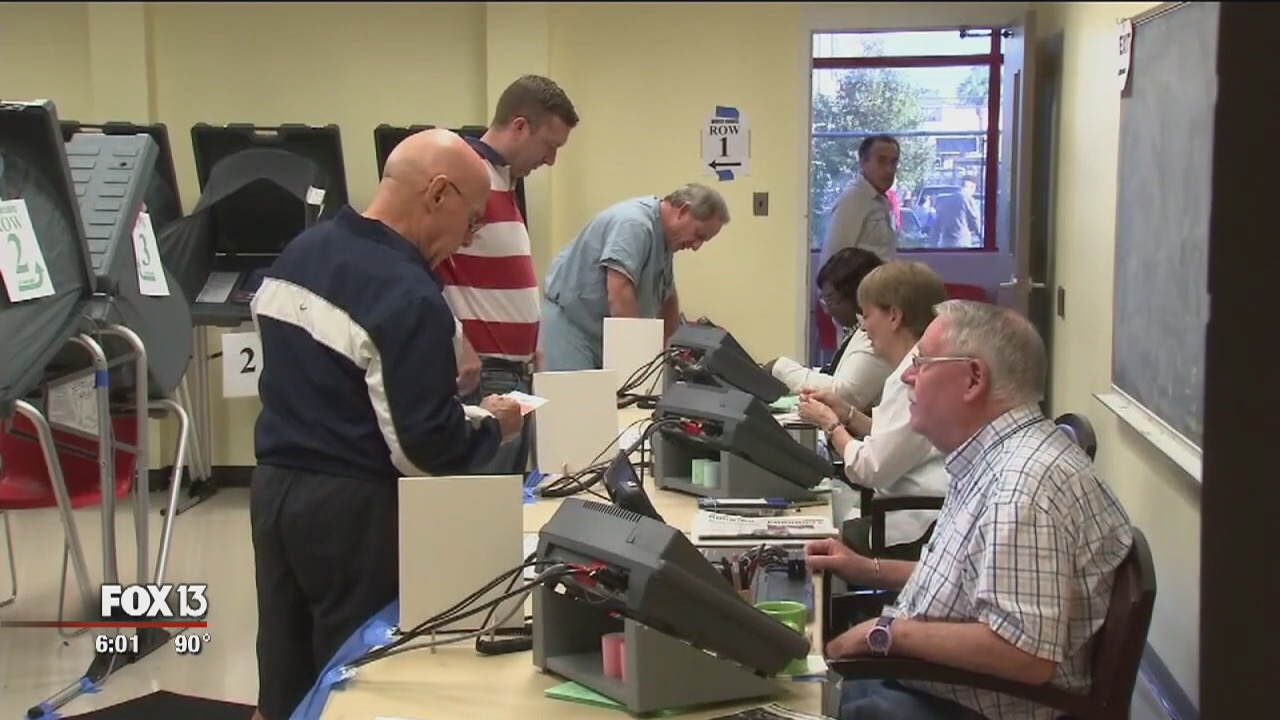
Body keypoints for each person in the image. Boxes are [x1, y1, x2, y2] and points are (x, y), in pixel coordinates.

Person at [247, 129, 525, 720]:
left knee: (284, 666)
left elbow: (331, 388)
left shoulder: (301, 253)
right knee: (355, 679)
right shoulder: (406, 292)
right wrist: (491, 427)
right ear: (439, 194)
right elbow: (425, 450)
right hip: (350, 512)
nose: (469, 238)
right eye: (472, 220)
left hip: (274, 490)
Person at [806, 300, 1133, 720]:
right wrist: (866, 567)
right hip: (938, 684)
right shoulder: (994, 456)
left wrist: (883, 633)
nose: (907, 376)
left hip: (969, 706)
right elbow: (968, 580)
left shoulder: (1024, 487)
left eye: (921, 363)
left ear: (973, 378)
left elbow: (1024, 653)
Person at [438, 74, 579, 475]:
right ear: (519, 126)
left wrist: (532, 342)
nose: (551, 160)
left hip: (513, 370)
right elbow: (419, 263)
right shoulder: (468, 175)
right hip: (483, 372)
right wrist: (456, 338)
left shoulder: (505, 182)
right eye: (549, 146)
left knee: (507, 503)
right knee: (486, 510)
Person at [796, 261, 950, 559]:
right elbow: (898, 439)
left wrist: (831, 426)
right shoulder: (924, 363)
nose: (863, 328)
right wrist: (847, 414)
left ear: (893, 316)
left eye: (866, 315)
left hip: (914, 525)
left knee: (813, 542)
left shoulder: (911, 375)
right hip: (927, 514)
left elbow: (870, 469)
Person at [539, 183, 730, 371]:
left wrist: (669, 352)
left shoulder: (665, 239)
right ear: (683, 210)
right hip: (573, 328)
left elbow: (668, 296)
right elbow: (619, 294)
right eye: (698, 235)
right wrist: (638, 357)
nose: (696, 246)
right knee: (576, 400)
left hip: (603, 335)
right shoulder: (634, 224)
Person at [764, 248, 890, 413]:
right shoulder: (856, 330)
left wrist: (780, 367)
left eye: (831, 300)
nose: (827, 310)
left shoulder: (877, 335)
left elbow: (844, 394)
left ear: (858, 297)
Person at [819, 134, 902, 268]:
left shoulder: (882, 200)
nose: (889, 169)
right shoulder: (853, 200)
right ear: (863, 162)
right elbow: (832, 260)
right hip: (859, 287)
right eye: (881, 161)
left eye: (893, 162)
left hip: (882, 285)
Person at [931, 177, 982, 248]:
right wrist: (982, 237)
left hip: (945, 241)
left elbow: (937, 223)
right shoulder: (968, 199)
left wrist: (934, 243)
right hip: (961, 241)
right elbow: (975, 220)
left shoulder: (946, 200)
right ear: (972, 187)